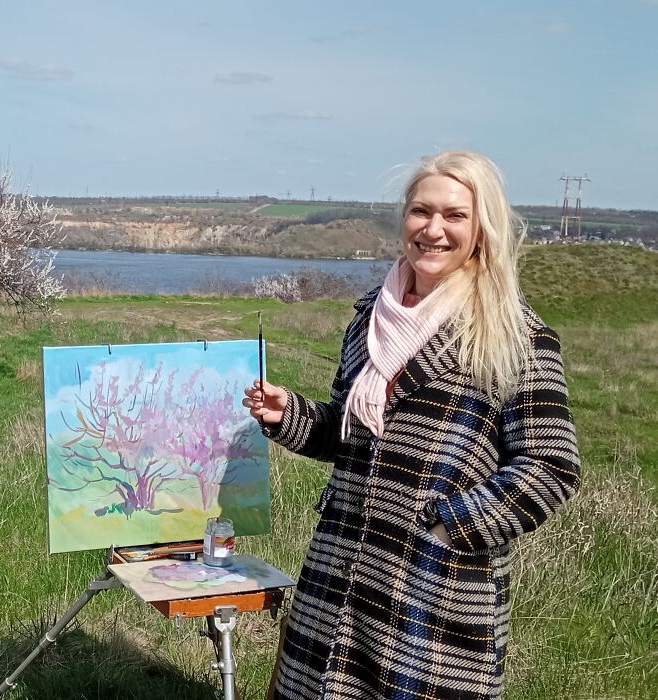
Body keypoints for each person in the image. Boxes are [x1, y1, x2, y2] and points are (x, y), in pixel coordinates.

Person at [243, 151, 581, 700]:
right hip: (339, 576)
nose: (434, 229)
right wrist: (293, 416)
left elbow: (550, 468)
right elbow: (349, 434)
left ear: (482, 230)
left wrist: (447, 527)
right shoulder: (368, 320)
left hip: (435, 590)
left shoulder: (516, 335)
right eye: (421, 211)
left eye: (454, 216)